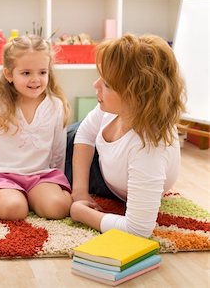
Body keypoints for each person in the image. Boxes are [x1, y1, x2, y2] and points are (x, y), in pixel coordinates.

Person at [66, 34, 186, 238]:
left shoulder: (148, 148)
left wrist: (80, 213)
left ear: (135, 96)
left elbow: (138, 230)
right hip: (93, 155)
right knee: (59, 140)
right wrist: (79, 192)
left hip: (108, 174)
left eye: (107, 84)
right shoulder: (114, 108)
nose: (95, 85)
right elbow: (84, 134)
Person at [0, 35, 73, 220]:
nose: (36, 79)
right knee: (15, 210)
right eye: (26, 73)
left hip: (40, 175)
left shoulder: (56, 106)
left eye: (42, 72)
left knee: (58, 208)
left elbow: (58, 149)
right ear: (9, 74)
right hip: (3, 175)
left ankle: (30, 197)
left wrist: (58, 182)